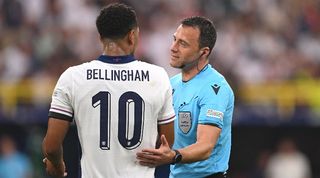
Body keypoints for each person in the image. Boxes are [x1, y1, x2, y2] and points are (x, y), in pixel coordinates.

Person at [42, 3, 175, 178]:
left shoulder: (73, 77)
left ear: (100, 37)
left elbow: (51, 146)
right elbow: (167, 143)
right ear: (132, 35)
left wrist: (57, 165)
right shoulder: (158, 76)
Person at [136, 16, 234, 178]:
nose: (173, 48)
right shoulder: (171, 84)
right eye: (175, 39)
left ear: (204, 52)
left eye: (183, 44)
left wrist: (173, 156)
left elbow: (205, 146)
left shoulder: (215, 88)